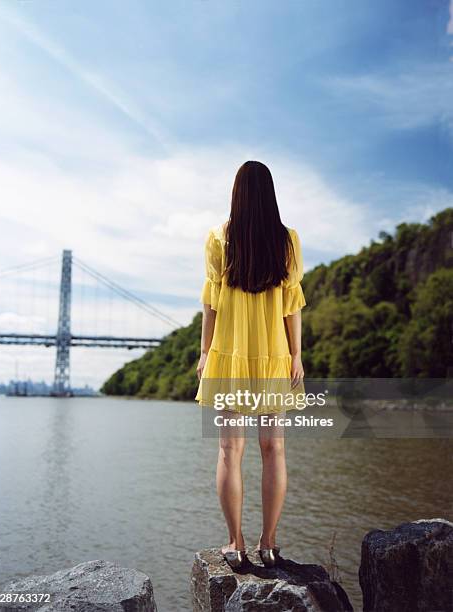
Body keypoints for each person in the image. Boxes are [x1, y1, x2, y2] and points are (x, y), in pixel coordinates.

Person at [195, 160, 306, 570]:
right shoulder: (288, 241)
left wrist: (205, 351)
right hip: (274, 355)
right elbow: (291, 306)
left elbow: (210, 302)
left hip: (230, 354)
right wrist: (296, 355)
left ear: (236, 193)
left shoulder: (217, 239)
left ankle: (235, 544)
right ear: (270, 193)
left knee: (229, 449)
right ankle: (270, 544)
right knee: (274, 448)